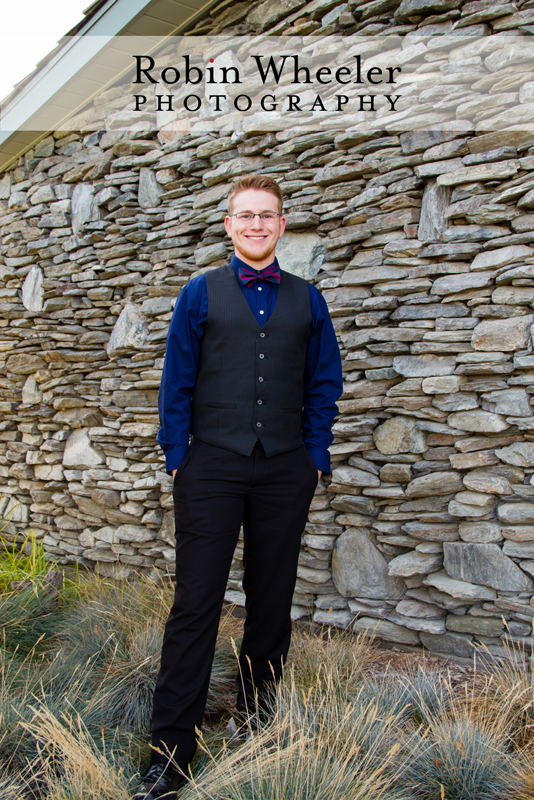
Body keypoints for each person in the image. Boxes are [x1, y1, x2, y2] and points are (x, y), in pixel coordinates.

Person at [134, 174, 343, 799]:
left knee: (272, 600)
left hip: (285, 468)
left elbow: (324, 382)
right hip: (211, 465)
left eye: (268, 216)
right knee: (195, 605)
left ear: (282, 226)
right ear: (229, 225)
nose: (256, 224)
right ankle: (169, 756)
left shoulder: (309, 300)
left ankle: (255, 720)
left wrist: (313, 453)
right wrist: (179, 456)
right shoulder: (200, 293)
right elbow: (177, 379)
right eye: (245, 215)